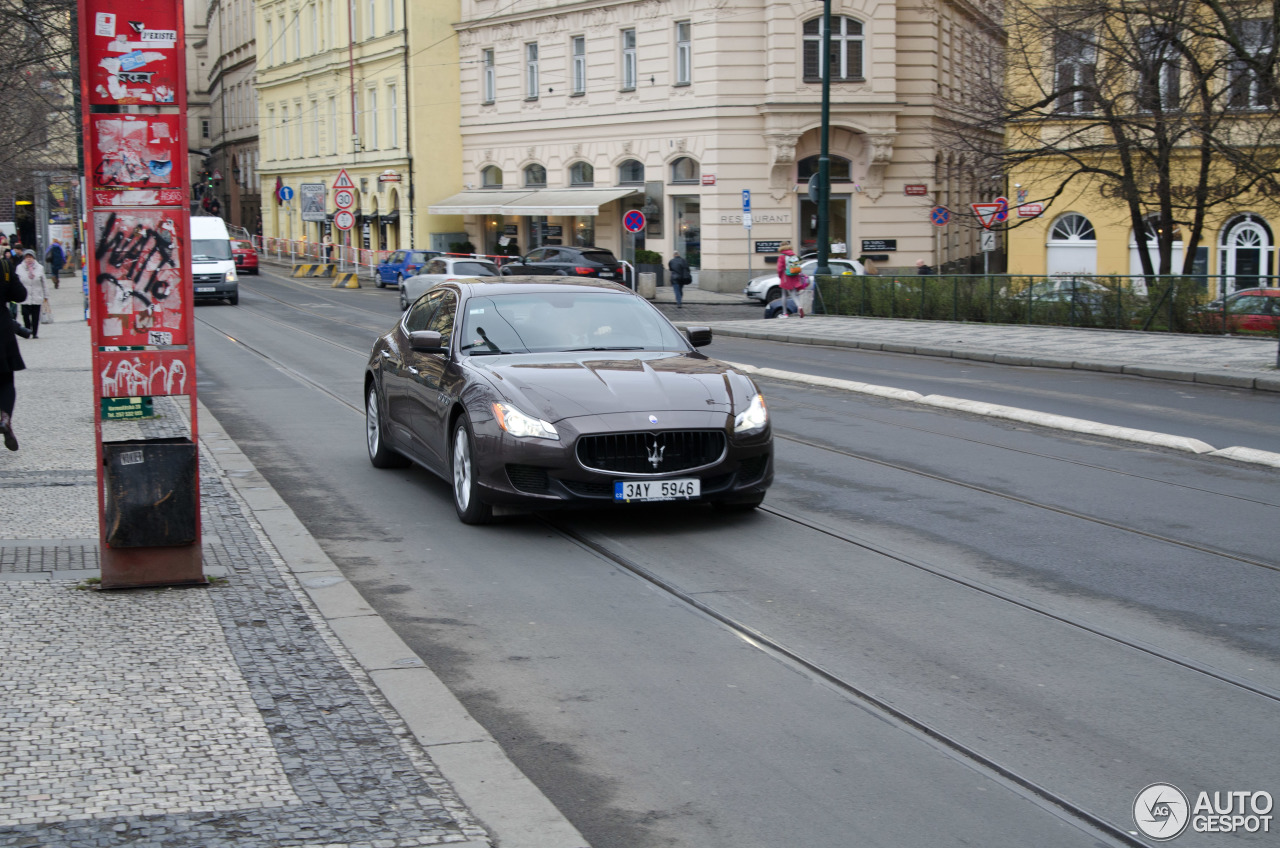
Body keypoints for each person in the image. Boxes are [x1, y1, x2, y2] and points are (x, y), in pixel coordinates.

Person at [0, 252, 27, 450]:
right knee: (6, 381)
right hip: (2, 332)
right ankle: (5, 417)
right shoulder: (5, 267)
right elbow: (20, 295)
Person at [16, 251, 50, 339]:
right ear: (24, 258)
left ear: (34, 258)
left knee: (35, 317)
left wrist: (46, 296)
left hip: (36, 296)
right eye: (27, 257)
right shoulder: (19, 268)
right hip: (24, 297)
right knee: (25, 315)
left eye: (30, 257)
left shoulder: (40, 268)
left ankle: (35, 333)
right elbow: (16, 282)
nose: (29, 259)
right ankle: (27, 330)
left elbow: (44, 283)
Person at [777, 241, 807, 317]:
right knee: (793, 294)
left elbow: (780, 269)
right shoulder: (793, 255)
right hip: (794, 276)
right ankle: (800, 307)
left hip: (785, 277)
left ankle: (785, 313)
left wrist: (780, 276)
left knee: (784, 294)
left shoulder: (782, 256)